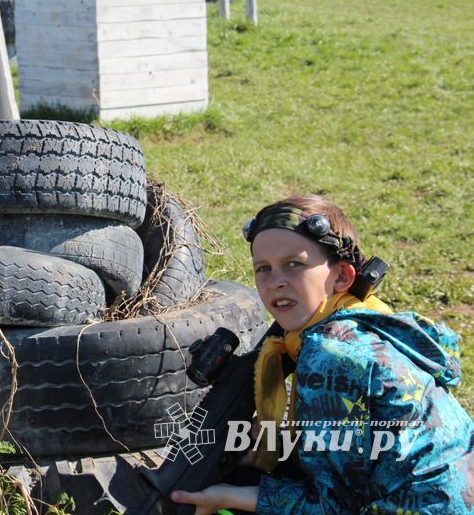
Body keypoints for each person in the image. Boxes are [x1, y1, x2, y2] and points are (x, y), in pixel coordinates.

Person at [171, 195, 473, 514]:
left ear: (342, 277)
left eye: (294, 265)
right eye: (263, 269)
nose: (275, 282)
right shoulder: (370, 322)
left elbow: (335, 507)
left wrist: (228, 497)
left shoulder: (330, 354)